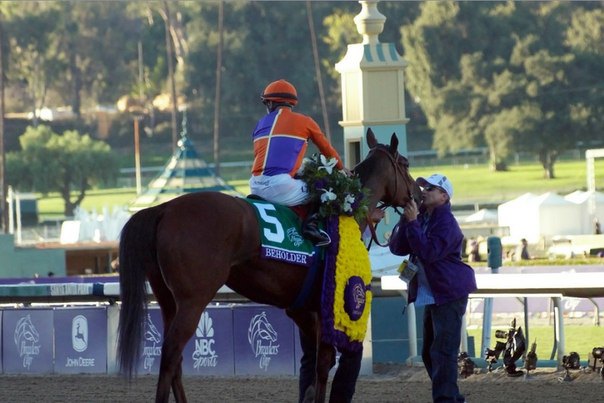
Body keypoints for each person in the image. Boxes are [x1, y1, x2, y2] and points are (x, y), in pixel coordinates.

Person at [389, 173, 477, 403]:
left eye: (431, 188)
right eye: (424, 186)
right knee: (430, 352)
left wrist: (413, 222)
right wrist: (407, 219)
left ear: (444, 196)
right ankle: (451, 397)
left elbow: (428, 253)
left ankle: (446, 398)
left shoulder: (446, 222)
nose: (424, 190)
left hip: (449, 292)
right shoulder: (425, 218)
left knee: (442, 351)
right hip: (437, 293)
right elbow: (397, 248)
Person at [249, 79, 345, 245]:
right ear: (291, 103)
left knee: (303, 169)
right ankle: (311, 226)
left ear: (270, 103)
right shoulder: (306, 121)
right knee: (326, 185)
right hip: (280, 187)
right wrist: (342, 169)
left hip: (254, 185)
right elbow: (327, 151)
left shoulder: (259, 124)